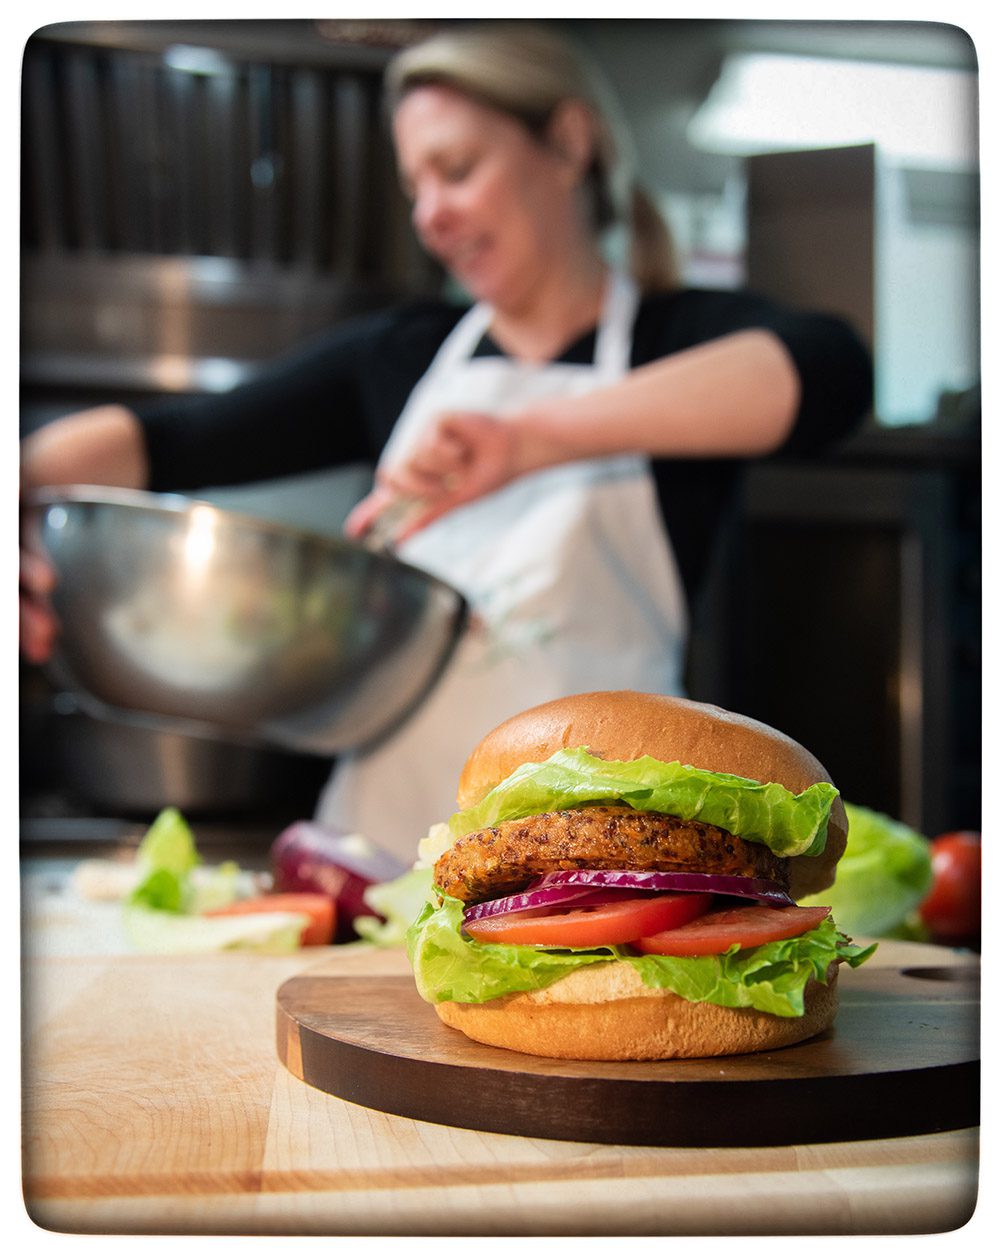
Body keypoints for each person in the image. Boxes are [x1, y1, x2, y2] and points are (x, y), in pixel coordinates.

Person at [20, 22, 873, 860]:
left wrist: (530, 438)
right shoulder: (399, 355)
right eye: (416, 186)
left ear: (570, 142)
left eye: (456, 170)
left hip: (595, 862)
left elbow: (832, 372)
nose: (431, 214)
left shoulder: (679, 342)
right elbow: (167, 440)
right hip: (381, 858)